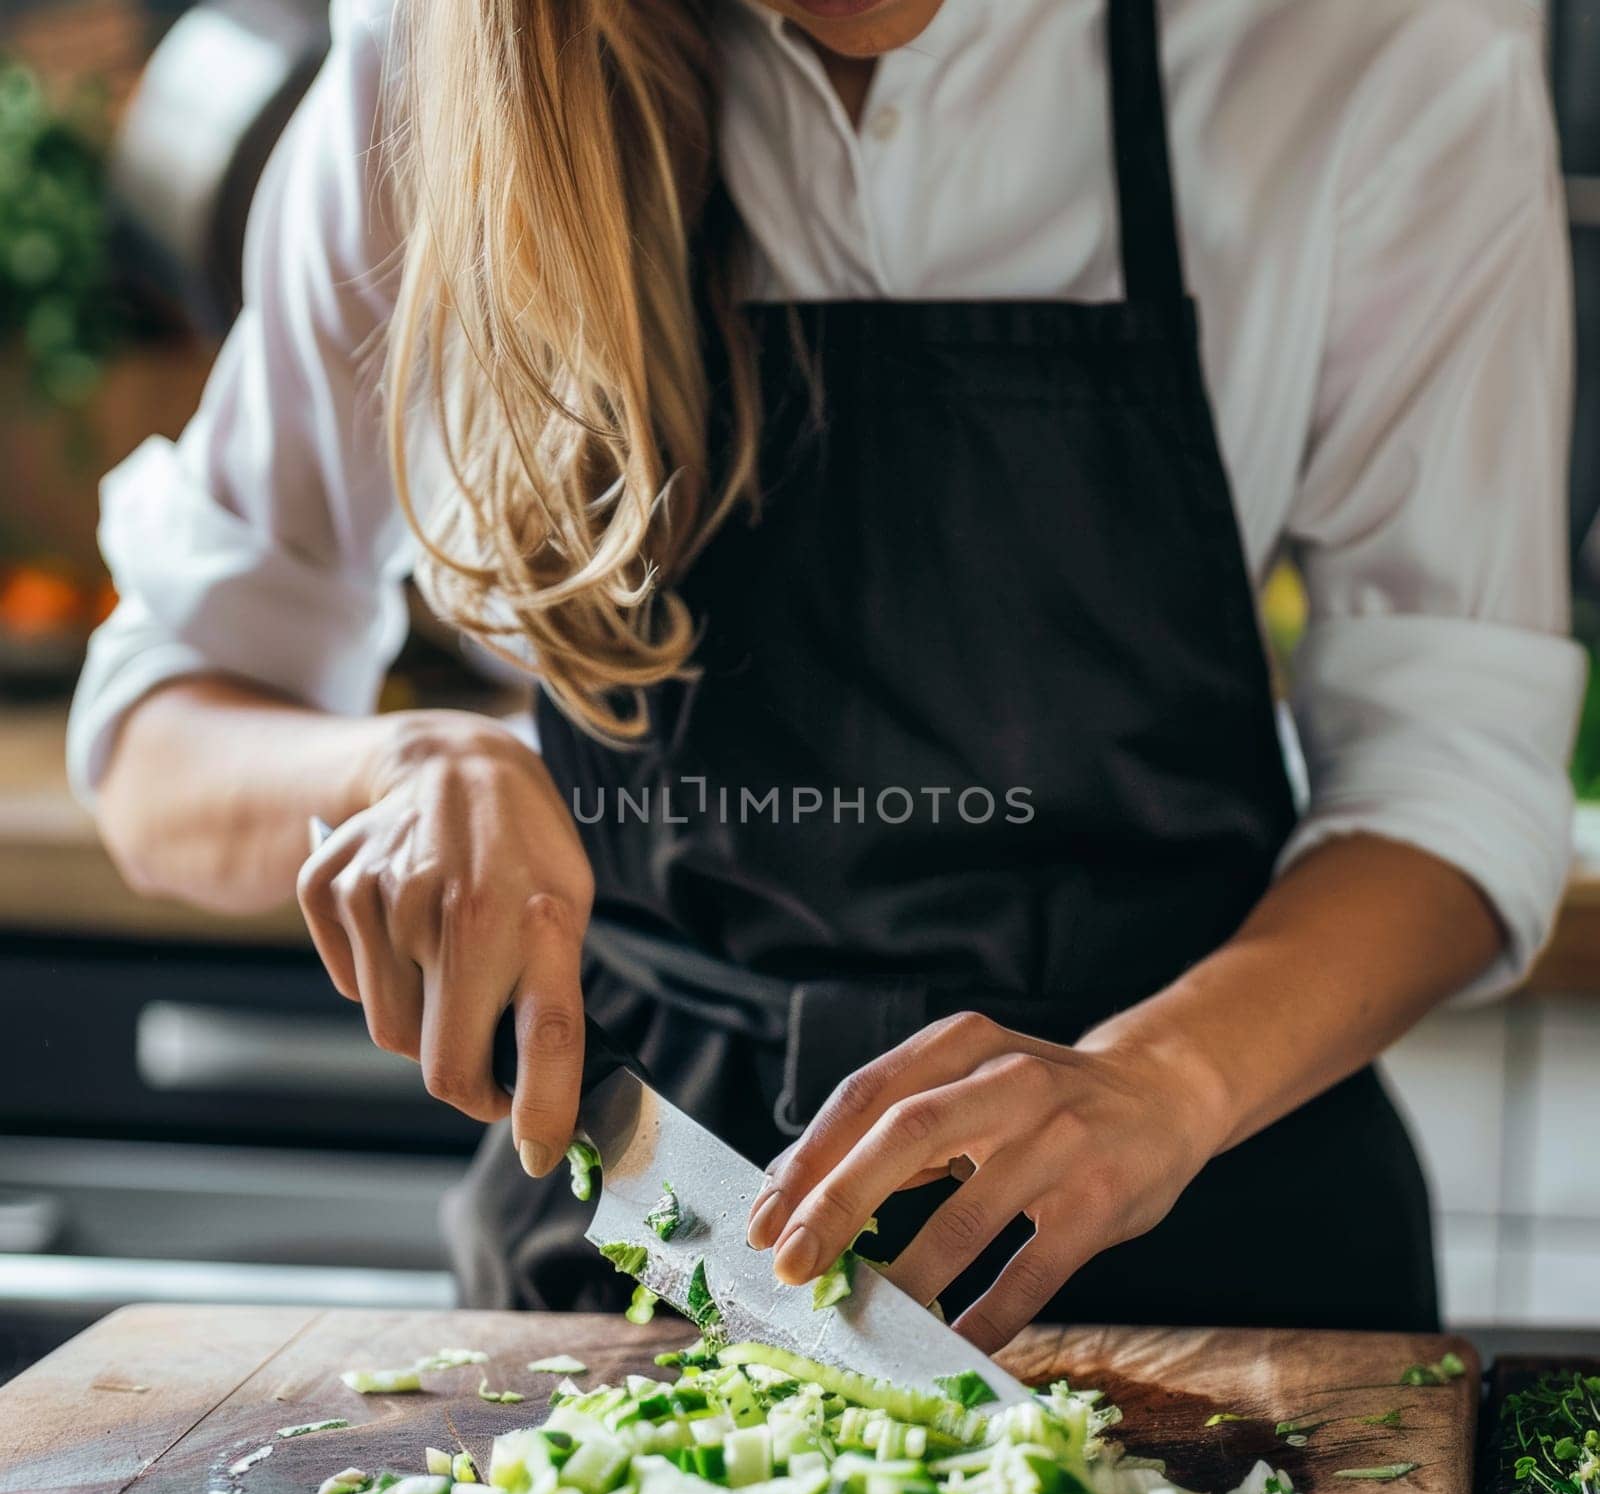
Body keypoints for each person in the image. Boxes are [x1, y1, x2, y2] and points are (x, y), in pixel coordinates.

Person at [73, 0, 1582, 1347]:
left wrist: (1162, 1086)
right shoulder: (433, 61)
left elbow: (1453, 781)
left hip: (1225, 1259)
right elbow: (159, 735)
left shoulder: (1374, 41)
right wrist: (389, 771)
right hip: (635, 1272)